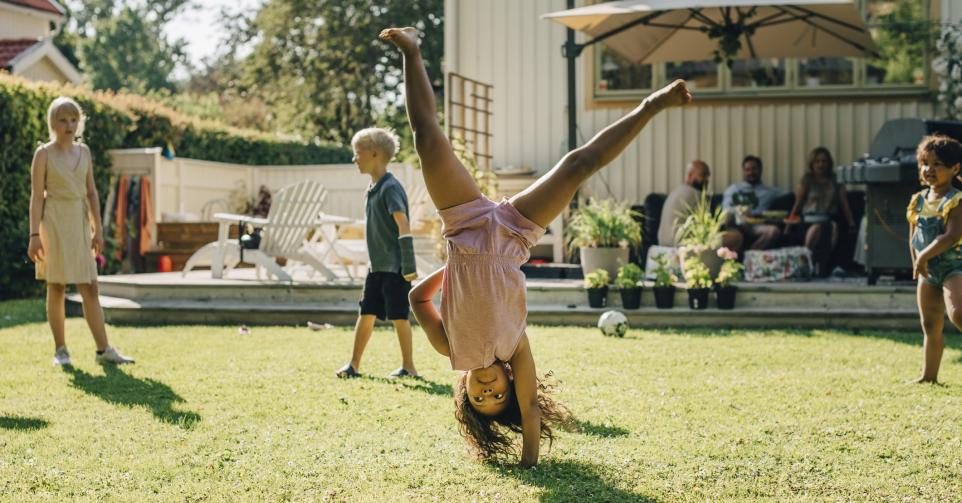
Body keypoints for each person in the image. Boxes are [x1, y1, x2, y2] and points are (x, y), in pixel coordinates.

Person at [382, 26, 692, 465]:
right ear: (509, 382)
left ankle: (411, 49)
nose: (488, 393)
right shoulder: (515, 349)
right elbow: (530, 408)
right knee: (577, 164)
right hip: (513, 232)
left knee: (427, 139)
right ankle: (651, 103)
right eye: (497, 396)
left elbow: (417, 297)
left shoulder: (449, 349)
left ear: (465, 391)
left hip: (464, 223)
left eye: (479, 398)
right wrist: (529, 464)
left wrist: (452, 269)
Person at [27, 96, 134, 366]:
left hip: (79, 222)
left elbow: (92, 193)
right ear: (53, 122)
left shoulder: (84, 152)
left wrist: (98, 230)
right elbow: (37, 197)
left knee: (90, 287)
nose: (69, 125)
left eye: (73, 119)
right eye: (63, 120)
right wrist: (34, 235)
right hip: (53, 223)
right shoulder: (43, 154)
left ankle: (104, 350)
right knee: (57, 286)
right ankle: (61, 351)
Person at [335, 127, 420, 379]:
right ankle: (354, 365)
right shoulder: (373, 188)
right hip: (377, 267)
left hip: (395, 267)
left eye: (357, 153)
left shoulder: (389, 188)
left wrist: (408, 264)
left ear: (373, 154)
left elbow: (403, 224)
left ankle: (409, 367)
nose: (354, 159)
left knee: (399, 316)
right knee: (366, 312)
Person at [906, 135, 962, 384]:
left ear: (955, 169)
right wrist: (916, 261)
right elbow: (913, 235)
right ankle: (928, 376)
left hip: (954, 266)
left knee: (958, 313)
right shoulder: (918, 200)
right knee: (930, 323)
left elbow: (951, 236)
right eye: (925, 163)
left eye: (938, 164)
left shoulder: (955, 200)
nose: (929, 169)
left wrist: (924, 257)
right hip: (928, 270)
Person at [658, 160, 742, 251]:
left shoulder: (676, 191)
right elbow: (710, 228)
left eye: (707, 176)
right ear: (690, 176)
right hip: (683, 245)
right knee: (736, 236)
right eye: (702, 175)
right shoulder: (697, 194)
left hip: (663, 244)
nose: (706, 180)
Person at [786, 147, 856, 256]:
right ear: (812, 164)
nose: (820, 165)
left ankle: (824, 261)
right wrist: (788, 226)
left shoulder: (836, 180)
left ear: (828, 163)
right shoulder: (806, 180)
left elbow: (844, 204)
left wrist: (852, 224)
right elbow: (797, 204)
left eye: (824, 161)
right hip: (808, 220)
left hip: (829, 219)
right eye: (817, 161)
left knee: (832, 227)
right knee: (816, 228)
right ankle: (806, 256)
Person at [722, 155, 785, 250]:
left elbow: (792, 196)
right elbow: (725, 209)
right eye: (747, 169)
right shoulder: (734, 189)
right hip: (738, 224)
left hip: (756, 226)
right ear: (743, 171)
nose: (751, 172)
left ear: (760, 170)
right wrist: (741, 212)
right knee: (728, 216)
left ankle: (750, 255)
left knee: (774, 231)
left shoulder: (770, 191)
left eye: (754, 169)